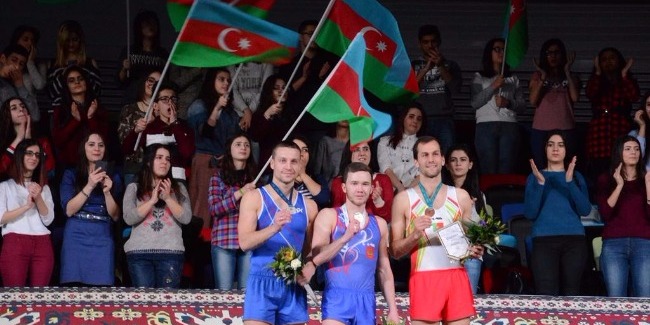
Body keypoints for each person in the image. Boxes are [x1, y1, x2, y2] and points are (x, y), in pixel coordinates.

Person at [390, 136, 482, 325]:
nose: (430, 159)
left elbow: (473, 241)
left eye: (435, 154)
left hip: (456, 277)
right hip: (424, 279)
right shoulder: (403, 199)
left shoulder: (461, 196)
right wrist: (415, 235)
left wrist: (474, 249)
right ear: (416, 161)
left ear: (442, 160)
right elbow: (395, 252)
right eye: (424, 155)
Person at [300, 162, 400, 324]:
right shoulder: (329, 216)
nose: (360, 189)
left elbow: (384, 270)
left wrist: (393, 310)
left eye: (365, 184)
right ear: (344, 187)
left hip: (367, 301)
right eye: (354, 183)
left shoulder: (380, 224)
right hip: (336, 298)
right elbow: (317, 257)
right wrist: (345, 237)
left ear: (371, 188)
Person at [238, 140, 318, 325]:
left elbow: (309, 250)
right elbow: (244, 243)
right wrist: (274, 227)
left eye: (293, 161)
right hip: (261, 280)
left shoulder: (310, 206)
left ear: (300, 165)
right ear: (272, 163)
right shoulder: (253, 197)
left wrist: (308, 267)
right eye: (283, 160)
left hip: (292, 284)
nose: (288, 166)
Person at [524, 131, 591, 296]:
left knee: (572, 293)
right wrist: (540, 183)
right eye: (551, 144)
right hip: (543, 241)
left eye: (560, 145)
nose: (555, 149)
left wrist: (569, 182)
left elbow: (585, 210)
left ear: (566, 150)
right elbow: (530, 213)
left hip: (574, 241)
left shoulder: (576, 177)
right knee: (546, 294)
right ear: (544, 149)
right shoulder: (535, 177)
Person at [123, 143, 192, 288]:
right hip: (139, 253)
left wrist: (168, 198)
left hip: (171, 253)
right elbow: (129, 218)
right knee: (145, 305)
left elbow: (186, 218)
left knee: (167, 305)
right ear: (149, 162)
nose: (164, 162)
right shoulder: (134, 187)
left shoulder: (179, 189)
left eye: (167, 159)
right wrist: (152, 201)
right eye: (159, 158)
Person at [59, 132, 121, 286]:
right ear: (83, 148)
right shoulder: (71, 175)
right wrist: (90, 185)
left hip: (102, 235)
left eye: (101, 145)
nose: (96, 148)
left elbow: (116, 216)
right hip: (76, 235)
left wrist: (107, 192)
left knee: (102, 290)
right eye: (91, 144)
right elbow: (69, 210)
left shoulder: (114, 176)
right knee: (73, 290)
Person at [596, 135, 650, 297]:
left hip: (644, 244)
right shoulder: (606, 180)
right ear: (619, 152)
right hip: (614, 245)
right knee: (616, 299)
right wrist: (619, 185)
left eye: (636, 149)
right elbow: (605, 213)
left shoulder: (646, 180)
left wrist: (648, 188)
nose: (633, 152)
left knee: (645, 298)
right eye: (628, 149)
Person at [186, 68, 240, 230]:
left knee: (223, 206)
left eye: (228, 81)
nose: (226, 83)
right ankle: (200, 245)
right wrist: (216, 108)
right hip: (206, 162)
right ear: (211, 81)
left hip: (225, 163)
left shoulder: (230, 112)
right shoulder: (199, 105)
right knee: (203, 206)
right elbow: (204, 132)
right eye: (221, 79)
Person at [0, 139, 54, 287]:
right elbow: (1, 218)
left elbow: (48, 219)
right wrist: (26, 206)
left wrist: (38, 198)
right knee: (14, 296)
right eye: (29, 153)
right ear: (20, 156)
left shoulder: (44, 188)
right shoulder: (5, 186)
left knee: (39, 297)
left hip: (43, 241)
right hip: (15, 240)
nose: (34, 158)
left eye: (37, 154)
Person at [208, 134, 257, 290]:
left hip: (249, 241)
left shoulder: (255, 178)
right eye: (238, 144)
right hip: (224, 240)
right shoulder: (217, 178)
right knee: (224, 293)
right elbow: (214, 209)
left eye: (246, 145)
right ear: (229, 149)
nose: (243, 147)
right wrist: (240, 193)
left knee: (247, 293)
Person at [470, 38, 526, 175]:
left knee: (507, 168)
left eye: (503, 50)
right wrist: (493, 86)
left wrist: (508, 103)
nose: (501, 52)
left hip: (509, 125)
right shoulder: (479, 77)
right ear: (489, 53)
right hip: (485, 125)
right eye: (497, 49)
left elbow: (522, 106)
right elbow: (475, 102)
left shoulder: (513, 79)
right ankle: (488, 196)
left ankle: (504, 196)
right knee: (488, 168)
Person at [122, 81, 195, 181]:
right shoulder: (149, 127)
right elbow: (127, 150)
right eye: (164, 99)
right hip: (151, 180)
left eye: (173, 99)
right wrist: (136, 131)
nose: (170, 103)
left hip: (177, 181)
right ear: (156, 105)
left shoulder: (184, 127)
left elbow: (187, 153)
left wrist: (175, 125)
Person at [529, 39, 580, 168]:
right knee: (542, 166)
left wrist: (567, 72)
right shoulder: (537, 76)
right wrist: (542, 78)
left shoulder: (571, 76)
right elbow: (533, 101)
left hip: (565, 127)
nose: (553, 56)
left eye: (557, 53)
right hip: (541, 129)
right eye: (549, 53)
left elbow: (575, 98)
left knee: (565, 166)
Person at [444, 143, 488, 294]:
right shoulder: (440, 193)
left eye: (462, 160)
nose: (458, 164)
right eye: (453, 160)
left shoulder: (479, 196)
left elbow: (482, 229)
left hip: (470, 255)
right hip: (444, 254)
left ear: (470, 165)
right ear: (447, 165)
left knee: (468, 303)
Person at [412, 24, 462, 153]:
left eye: (433, 41)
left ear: (439, 42)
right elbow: (408, 91)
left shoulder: (451, 65)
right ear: (419, 44)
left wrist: (440, 65)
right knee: (421, 156)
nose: (430, 45)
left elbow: (455, 89)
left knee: (447, 155)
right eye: (425, 42)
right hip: (420, 119)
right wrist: (425, 70)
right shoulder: (412, 65)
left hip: (445, 119)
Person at [51, 65, 108, 168]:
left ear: (86, 82)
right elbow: (58, 141)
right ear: (66, 86)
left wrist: (91, 117)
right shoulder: (60, 110)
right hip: (71, 166)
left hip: (97, 164)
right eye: (71, 80)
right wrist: (75, 121)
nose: (77, 82)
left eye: (80, 79)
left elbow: (104, 138)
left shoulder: (97, 107)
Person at [331, 141, 393, 222]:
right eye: (356, 150)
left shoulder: (383, 180)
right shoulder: (338, 182)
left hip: (376, 231)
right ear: (349, 154)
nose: (362, 153)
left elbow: (388, 218)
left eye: (366, 149)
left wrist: (378, 201)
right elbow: (336, 216)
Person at [117, 70, 161, 184]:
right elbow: (124, 143)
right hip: (134, 167)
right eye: (150, 80)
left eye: (158, 82)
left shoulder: (165, 111)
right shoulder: (128, 109)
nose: (153, 84)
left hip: (158, 168)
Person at [45, 20, 102, 106]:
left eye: (74, 39)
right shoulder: (53, 64)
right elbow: (51, 94)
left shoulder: (90, 63)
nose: (71, 44)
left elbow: (97, 92)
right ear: (61, 41)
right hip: (60, 112)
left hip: (86, 112)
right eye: (67, 40)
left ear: (80, 40)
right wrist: (65, 75)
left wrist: (81, 76)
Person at [117, 10, 168, 103]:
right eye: (147, 23)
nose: (151, 26)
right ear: (139, 27)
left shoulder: (163, 53)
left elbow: (167, 78)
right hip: (133, 98)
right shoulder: (129, 51)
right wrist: (124, 68)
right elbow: (119, 80)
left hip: (155, 99)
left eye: (154, 23)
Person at [0, 97, 55, 179]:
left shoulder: (41, 139)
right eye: (14, 108)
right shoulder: (3, 141)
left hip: (37, 187)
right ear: (7, 115)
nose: (21, 109)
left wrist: (30, 143)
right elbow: (1, 169)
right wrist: (18, 139)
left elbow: (50, 170)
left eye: (23, 106)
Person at [377, 103, 426, 192]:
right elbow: (386, 168)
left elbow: (422, 174)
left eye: (419, 119)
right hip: (386, 191)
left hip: (413, 192)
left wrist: (408, 192)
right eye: (411, 117)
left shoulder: (424, 146)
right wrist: (400, 188)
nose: (415, 121)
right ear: (403, 118)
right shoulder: (384, 142)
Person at [249, 74, 290, 165]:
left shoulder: (291, 112)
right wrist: (267, 115)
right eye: (276, 88)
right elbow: (255, 137)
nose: (281, 91)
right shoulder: (259, 114)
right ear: (269, 91)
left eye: (284, 87)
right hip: (269, 165)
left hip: (289, 162)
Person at [228, 62, 273, 133]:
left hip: (258, 112)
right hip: (235, 112)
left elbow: (265, 88)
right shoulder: (233, 58)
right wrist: (246, 110)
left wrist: (249, 112)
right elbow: (231, 89)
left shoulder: (266, 59)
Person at [0, 44, 39, 122]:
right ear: (3, 58)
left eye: (21, 64)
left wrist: (20, 85)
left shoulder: (19, 85)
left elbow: (35, 116)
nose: (17, 67)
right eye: (14, 60)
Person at [292, 135, 330, 208]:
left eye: (305, 150)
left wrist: (302, 174)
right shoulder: (279, 177)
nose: (301, 154)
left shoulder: (318, 178)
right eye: (296, 149)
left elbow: (324, 199)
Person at [9, 25, 46, 95]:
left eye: (32, 41)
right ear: (16, 41)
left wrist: (30, 63)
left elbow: (39, 85)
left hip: (29, 104)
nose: (30, 43)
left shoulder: (40, 65)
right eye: (25, 39)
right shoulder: (7, 60)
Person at [314, 121, 349, 187]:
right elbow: (317, 170)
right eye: (342, 113)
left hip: (351, 187)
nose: (345, 117)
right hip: (329, 188)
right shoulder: (325, 141)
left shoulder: (356, 143)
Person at [630, 90, 650, 170]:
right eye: (649, 105)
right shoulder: (635, 134)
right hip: (643, 180)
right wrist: (642, 126)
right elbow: (635, 159)